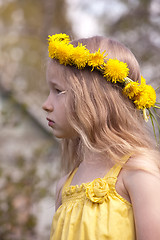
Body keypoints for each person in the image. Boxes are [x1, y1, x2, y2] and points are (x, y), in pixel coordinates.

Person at [42, 33, 160, 240]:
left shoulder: (137, 173)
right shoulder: (64, 186)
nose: (46, 104)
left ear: (96, 98)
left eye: (58, 91)